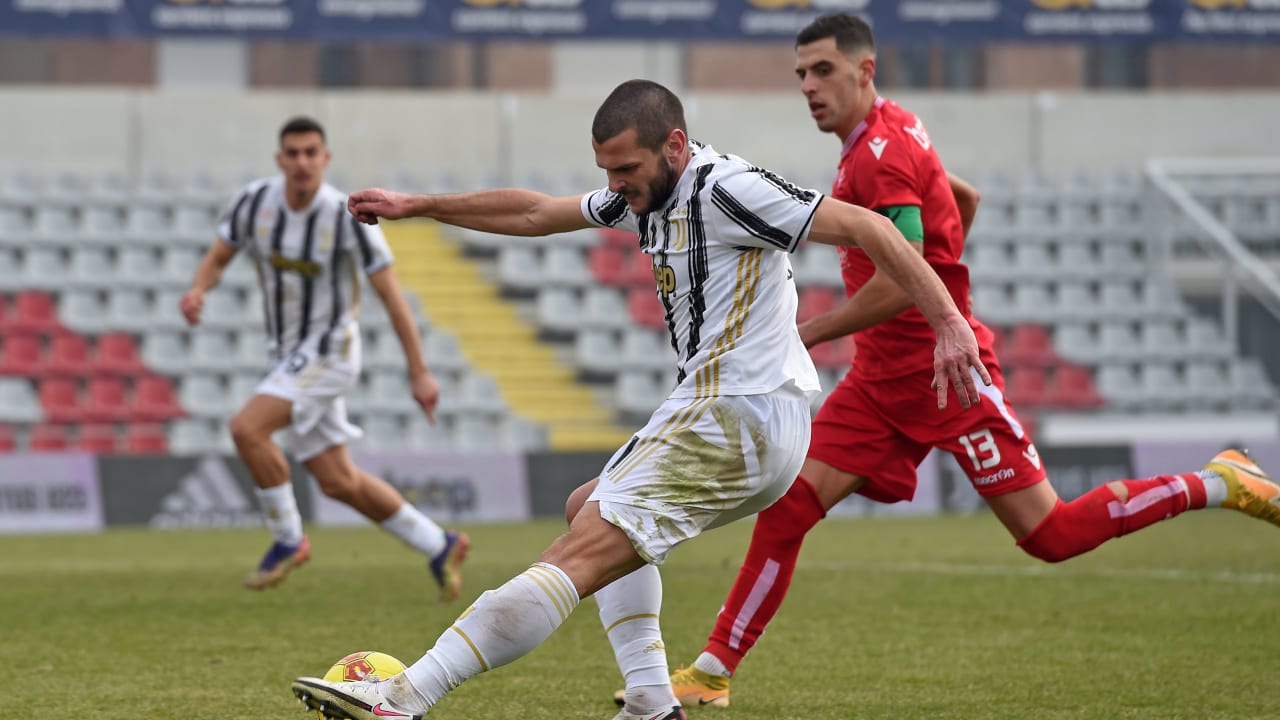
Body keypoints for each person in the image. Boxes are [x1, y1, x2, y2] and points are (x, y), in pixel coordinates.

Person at [289, 78, 990, 720]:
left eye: (626, 168)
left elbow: (872, 227)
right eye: (607, 171)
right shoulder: (647, 196)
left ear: (674, 146)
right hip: (744, 421)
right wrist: (419, 206)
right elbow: (534, 212)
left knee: (577, 553)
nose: (615, 185)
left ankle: (405, 697)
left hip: (733, 413)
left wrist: (950, 323)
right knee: (585, 507)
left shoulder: (726, 188)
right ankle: (652, 699)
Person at [647, 13, 1280, 710]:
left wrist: (811, 331)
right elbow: (962, 199)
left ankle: (1218, 482)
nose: (808, 86)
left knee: (1051, 535)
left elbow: (901, 275)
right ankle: (713, 670)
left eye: (823, 70)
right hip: (880, 382)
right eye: (801, 73)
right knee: (790, 505)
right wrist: (939, 273)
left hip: (948, 378)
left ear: (865, 70)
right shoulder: (889, 132)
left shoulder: (879, 153)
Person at [180, 116, 470, 600]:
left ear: (325, 158)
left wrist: (419, 371)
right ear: (280, 159)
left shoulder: (343, 215)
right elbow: (219, 256)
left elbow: (392, 296)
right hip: (288, 356)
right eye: (293, 153)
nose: (302, 162)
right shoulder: (254, 202)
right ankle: (439, 544)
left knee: (247, 429)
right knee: (338, 481)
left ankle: (288, 539)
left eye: (310, 152)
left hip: (331, 351)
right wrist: (197, 290)